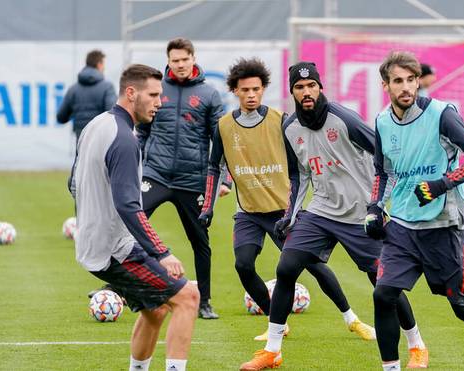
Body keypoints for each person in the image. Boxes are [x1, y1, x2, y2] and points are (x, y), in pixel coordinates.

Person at [239, 62, 427, 371]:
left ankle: (416, 345)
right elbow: (299, 176)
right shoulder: (289, 128)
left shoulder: (344, 120)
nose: (306, 92)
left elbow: (386, 160)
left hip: (360, 214)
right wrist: (291, 214)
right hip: (321, 212)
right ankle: (272, 350)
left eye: (311, 85)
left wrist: (378, 204)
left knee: (384, 284)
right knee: (286, 268)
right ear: (292, 92)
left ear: (320, 87)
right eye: (300, 88)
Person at [198, 58, 376, 342]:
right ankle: (276, 323)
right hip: (248, 212)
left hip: (282, 208)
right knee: (243, 265)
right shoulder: (223, 127)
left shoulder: (281, 121)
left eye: (256, 89)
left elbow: (299, 169)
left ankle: (351, 319)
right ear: (235, 91)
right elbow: (214, 166)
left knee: (314, 267)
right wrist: (208, 207)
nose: (251, 95)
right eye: (245, 90)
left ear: (264, 89)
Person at [370, 51, 464, 371]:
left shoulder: (442, 114)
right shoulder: (381, 122)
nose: (405, 87)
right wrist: (375, 207)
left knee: (463, 306)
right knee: (383, 295)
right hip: (402, 227)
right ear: (385, 85)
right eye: (397, 81)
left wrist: (441, 184)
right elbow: (383, 172)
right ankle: (391, 368)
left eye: (410, 80)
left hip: (445, 226)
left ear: (418, 82)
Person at [69, 64, 200, 371]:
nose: (159, 102)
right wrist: (162, 252)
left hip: (98, 242)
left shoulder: (95, 125)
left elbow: (73, 183)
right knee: (188, 297)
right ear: (131, 92)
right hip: (114, 249)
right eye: (153, 95)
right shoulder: (124, 139)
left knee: (155, 310)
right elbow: (129, 206)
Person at [136, 38, 229, 319]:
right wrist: (131, 168)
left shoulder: (209, 95)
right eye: (175, 60)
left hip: (193, 180)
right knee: (131, 223)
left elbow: (222, 141)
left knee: (200, 242)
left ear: (192, 58)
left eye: (184, 59)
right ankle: (119, 287)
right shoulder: (156, 91)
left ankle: (204, 302)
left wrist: (224, 180)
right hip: (156, 174)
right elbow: (142, 134)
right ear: (168, 61)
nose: (180, 65)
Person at [57, 49, 117, 145]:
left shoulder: (73, 89)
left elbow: (61, 117)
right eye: (103, 64)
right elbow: (112, 116)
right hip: (101, 143)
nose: (104, 68)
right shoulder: (107, 87)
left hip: (81, 143)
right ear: (99, 64)